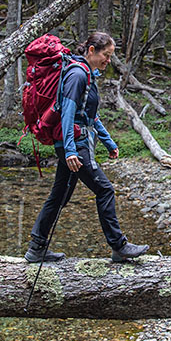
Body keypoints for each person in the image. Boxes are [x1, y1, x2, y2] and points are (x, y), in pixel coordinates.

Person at [25, 31, 148, 264]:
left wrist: (108, 141)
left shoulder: (87, 74)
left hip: (74, 144)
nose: (108, 60)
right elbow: (68, 113)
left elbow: (90, 115)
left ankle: (37, 248)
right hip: (75, 146)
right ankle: (119, 246)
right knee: (105, 189)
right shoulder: (77, 75)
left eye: (110, 56)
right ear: (91, 51)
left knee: (59, 196)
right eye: (106, 55)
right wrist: (70, 151)